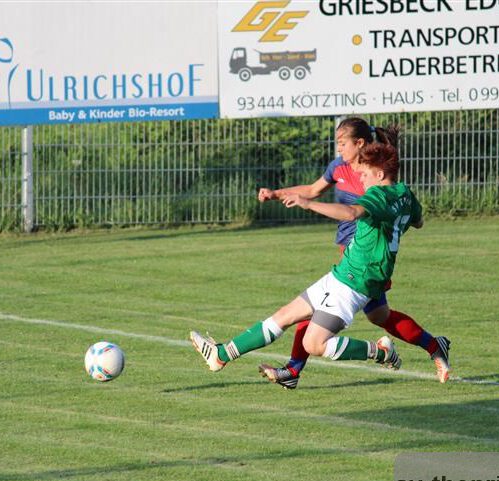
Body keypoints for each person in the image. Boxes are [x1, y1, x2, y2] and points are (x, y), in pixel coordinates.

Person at [190, 143, 423, 379]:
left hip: (353, 283)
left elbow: (351, 213)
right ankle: (221, 355)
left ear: (380, 174)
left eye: (364, 173)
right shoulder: (404, 194)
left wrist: (307, 203)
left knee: (315, 344)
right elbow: (418, 221)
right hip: (342, 273)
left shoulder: (378, 194)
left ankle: (380, 351)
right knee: (284, 316)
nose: (360, 177)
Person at [256, 117, 450, 387]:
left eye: (342, 143)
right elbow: (313, 190)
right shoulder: (352, 173)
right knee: (378, 315)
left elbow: (352, 212)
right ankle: (433, 345)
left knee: (319, 312)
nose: (340, 151)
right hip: (362, 258)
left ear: (361, 144)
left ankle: (294, 370)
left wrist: (308, 205)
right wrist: (278, 193)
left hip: (363, 259)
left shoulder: (376, 185)